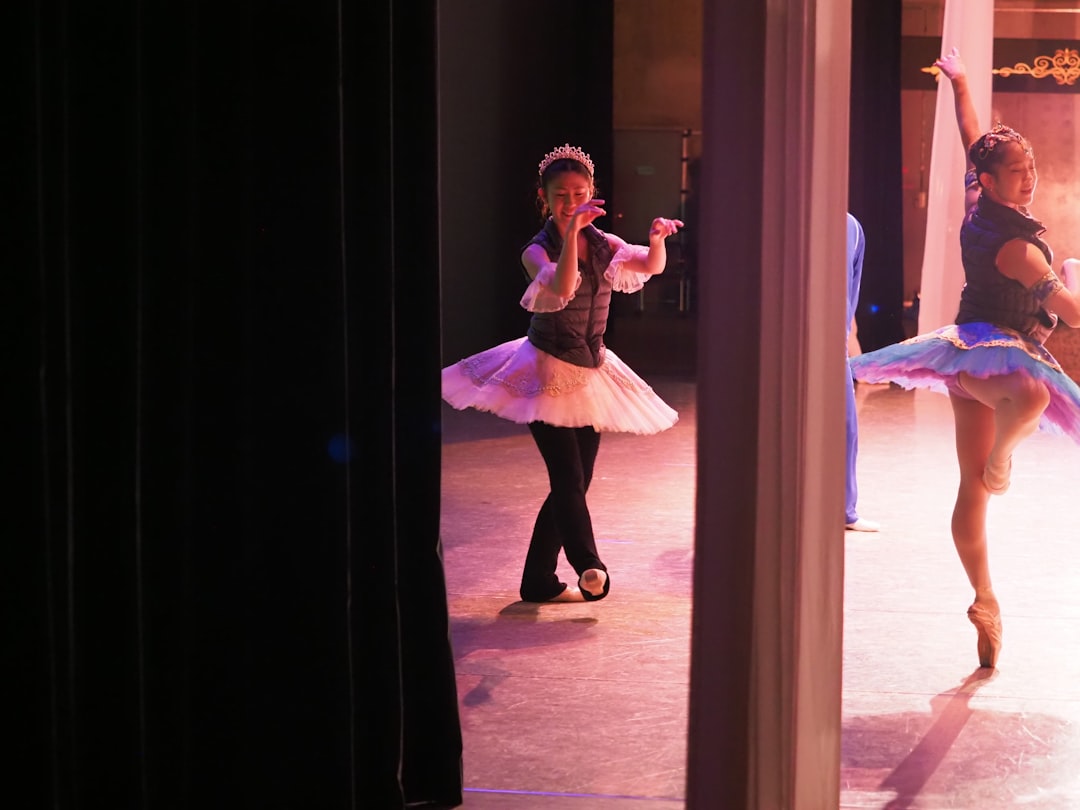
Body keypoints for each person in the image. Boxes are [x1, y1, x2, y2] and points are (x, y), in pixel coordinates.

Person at [850, 48, 1080, 669]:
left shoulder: (985, 198)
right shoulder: (1018, 250)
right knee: (1029, 400)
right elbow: (1076, 313)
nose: (1029, 177)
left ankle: (983, 599)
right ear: (992, 180)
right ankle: (1003, 462)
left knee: (970, 488)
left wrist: (960, 83)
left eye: (1029, 166)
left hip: (975, 357)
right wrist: (1073, 275)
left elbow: (972, 135)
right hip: (992, 353)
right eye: (1018, 170)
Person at [442, 144, 683, 603]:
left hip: (590, 371)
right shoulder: (535, 250)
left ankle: (538, 580)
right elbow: (562, 286)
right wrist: (570, 234)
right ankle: (590, 565)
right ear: (545, 198)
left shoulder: (605, 243)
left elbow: (649, 266)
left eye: (580, 192)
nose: (572, 202)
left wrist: (656, 240)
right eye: (561, 196)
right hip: (545, 372)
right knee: (568, 479)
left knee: (576, 481)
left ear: (593, 192)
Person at [844, 212, 880, 533]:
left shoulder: (852, 227)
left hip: (833, 345)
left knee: (846, 428)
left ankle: (845, 509)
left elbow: (851, 290)